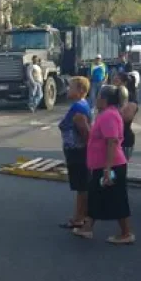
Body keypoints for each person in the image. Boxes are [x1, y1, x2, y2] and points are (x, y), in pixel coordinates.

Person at [77, 85, 134, 245]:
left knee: (117, 199)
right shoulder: (105, 114)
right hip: (102, 165)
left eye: (98, 97)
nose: (96, 100)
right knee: (95, 196)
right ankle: (87, 228)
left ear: (104, 99)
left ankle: (126, 233)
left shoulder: (109, 115)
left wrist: (107, 169)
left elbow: (112, 142)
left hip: (111, 165)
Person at [57, 77, 92, 233]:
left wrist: (88, 149)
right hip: (76, 151)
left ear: (81, 91)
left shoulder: (78, 108)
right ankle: (80, 216)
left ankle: (79, 218)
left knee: (81, 186)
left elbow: (85, 131)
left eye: (71, 87)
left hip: (78, 152)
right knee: (81, 186)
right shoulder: (80, 105)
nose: (68, 90)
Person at [113, 72, 139, 160]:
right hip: (112, 138)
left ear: (124, 83)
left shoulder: (130, 98)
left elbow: (127, 118)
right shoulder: (113, 95)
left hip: (124, 139)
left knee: (120, 166)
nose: (114, 83)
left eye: (116, 81)